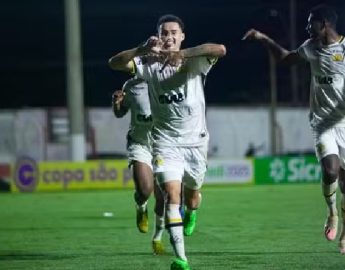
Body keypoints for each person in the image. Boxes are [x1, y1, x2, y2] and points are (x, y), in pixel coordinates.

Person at [109, 14, 226, 270]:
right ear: (158, 37)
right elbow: (114, 63)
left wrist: (183, 54)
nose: (169, 36)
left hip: (196, 143)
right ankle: (182, 258)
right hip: (164, 142)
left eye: (174, 32)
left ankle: (192, 210)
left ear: (182, 36)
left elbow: (220, 49)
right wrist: (141, 49)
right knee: (171, 195)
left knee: (191, 197)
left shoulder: (195, 61)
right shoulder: (147, 64)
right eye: (164, 32)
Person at [243, 4, 345, 253]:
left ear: (325, 24)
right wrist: (264, 38)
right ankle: (332, 213)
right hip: (322, 123)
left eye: (311, 22)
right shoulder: (310, 48)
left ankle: (344, 235)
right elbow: (285, 59)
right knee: (330, 169)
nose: (307, 27)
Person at [112, 77, 165, 255]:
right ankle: (141, 207)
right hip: (140, 144)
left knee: (164, 197)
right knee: (145, 190)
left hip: (165, 146)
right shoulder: (132, 85)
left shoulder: (171, 78)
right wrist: (116, 103)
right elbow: (120, 113)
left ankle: (157, 237)